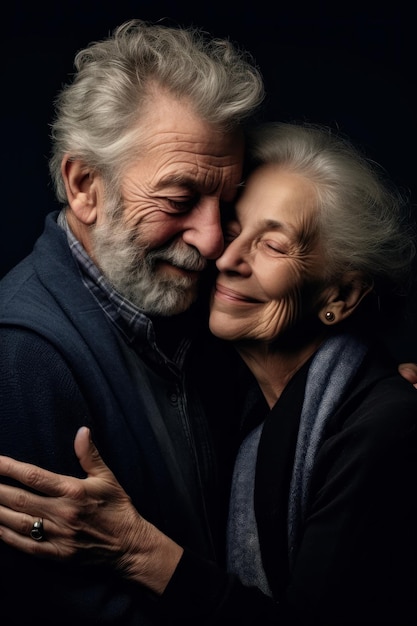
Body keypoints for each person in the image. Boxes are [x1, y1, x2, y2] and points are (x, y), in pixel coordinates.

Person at [1, 121, 417, 626]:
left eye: (275, 245)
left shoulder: (382, 427)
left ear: (342, 297)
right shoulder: (224, 384)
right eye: (235, 227)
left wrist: (138, 550)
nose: (226, 255)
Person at [0, 18, 265, 625]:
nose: (213, 238)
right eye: (178, 201)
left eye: (229, 203)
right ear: (85, 186)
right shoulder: (22, 359)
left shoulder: (187, 305)